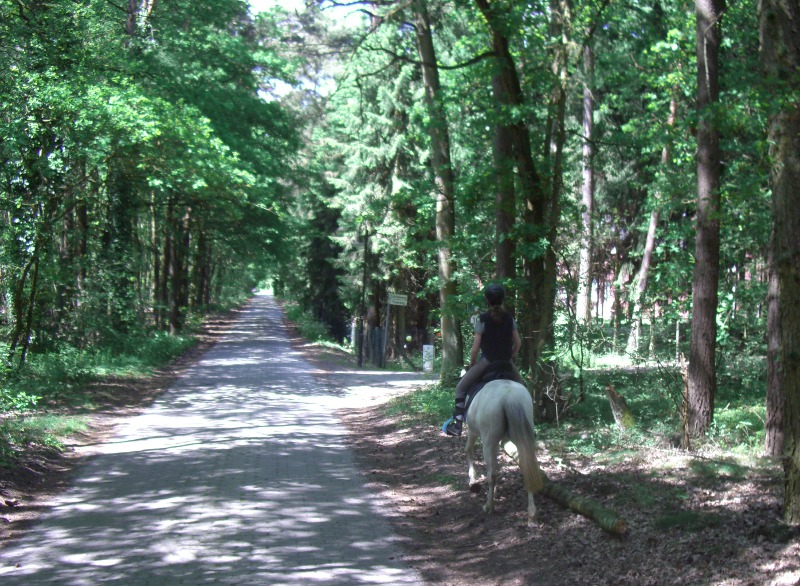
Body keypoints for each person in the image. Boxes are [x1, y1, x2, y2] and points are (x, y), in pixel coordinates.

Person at [444, 283, 523, 437]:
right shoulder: (509, 318)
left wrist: (472, 363)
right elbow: (518, 343)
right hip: (506, 362)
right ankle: (528, 424)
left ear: (487, 300)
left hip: (487, 362)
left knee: (460, 388)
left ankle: (458, 425)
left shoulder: (483, 319)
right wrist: (509, 355)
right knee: (522, 388)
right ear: (502, 299)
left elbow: (475, 348)